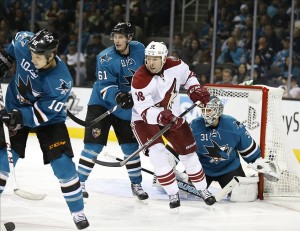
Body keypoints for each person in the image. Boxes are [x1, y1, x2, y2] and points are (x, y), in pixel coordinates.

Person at [0, 29, 89, 229]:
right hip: (16, 107)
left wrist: (17, 117)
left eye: (38, 57)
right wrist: (5, 59)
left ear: (51, 55)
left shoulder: (61, 80)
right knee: (2, 161)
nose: (33, 59)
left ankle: (78, 211)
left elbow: (41, 115)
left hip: (48, 120)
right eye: (32, 54)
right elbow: (14, 45)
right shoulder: (25, 43)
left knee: (63, 165)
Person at [130, 41, 216, 209]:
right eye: (148, 59)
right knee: (158, 155)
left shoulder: (176, 64)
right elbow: (144, 111)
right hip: (145, 120)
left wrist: (194, 89)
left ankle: (203, 190)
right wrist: (161, 115)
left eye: (155, 59)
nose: (151, 63)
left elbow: (189, 77)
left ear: (164, 58)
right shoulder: (140, 79)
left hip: (173, 115)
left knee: (189, 153)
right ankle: (172, 193)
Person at [77, 22, 148, 201]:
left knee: (130, 147)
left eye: (121, 37)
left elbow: (148, 73)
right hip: (101, 103)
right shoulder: (105, 57)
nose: (117, 40)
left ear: (129, 38)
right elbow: (105, 87)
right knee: (93, 146)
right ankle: (79, 183)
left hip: (126, 106)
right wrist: (119, 96)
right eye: (115, 37)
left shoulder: (140, 49)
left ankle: (136, 184)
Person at [188, 96, 279, 201]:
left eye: (209, 110)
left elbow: (250, 152)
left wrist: (259, 163)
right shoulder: (194, 126)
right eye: (203, 110)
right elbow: (183, 152)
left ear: (218, 110)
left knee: (242, 196)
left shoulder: (233, 126)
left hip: (229, 169)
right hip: (202, 170)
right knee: (187, 193)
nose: (205, 114)